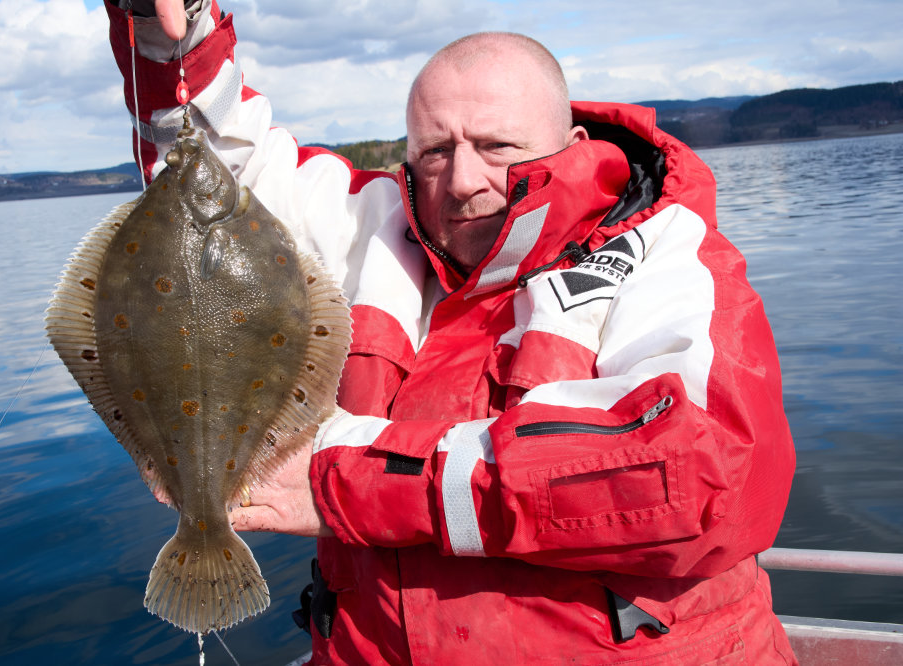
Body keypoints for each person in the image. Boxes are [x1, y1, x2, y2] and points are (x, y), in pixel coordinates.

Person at [108, 1, 799, 663]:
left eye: (497, 146)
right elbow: (214, 173)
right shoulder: (376, 228)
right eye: (434, 151)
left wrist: (343, 479)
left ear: (572, 144)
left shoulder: (665, 248)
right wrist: (171, 33)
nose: (463, 180)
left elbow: (703, 474)